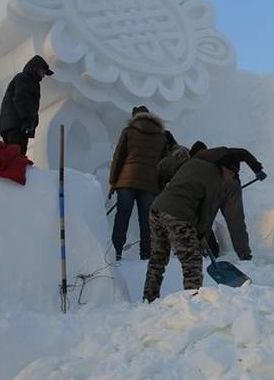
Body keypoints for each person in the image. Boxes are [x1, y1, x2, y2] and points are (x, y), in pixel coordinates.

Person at [143, 147, 255, 301]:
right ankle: (193, 301)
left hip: (156, 209)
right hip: (177, 214)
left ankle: (149, 297)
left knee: (158, 257)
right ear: (225, 168)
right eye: (233, 173)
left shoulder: (193, 163)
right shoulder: (215, 179)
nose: (232, 177)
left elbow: (166, 168)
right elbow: (207, 211)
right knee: (192, 260)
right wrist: (201, 235)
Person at [157, 140, 265, 261]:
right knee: (236, 220)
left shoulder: (194, 161)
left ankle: (205, 252)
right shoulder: (221, 152)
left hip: (216, 185)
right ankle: (244, 255)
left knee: (205, 219)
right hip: (232, 185)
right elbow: (243, 153)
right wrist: (257, 169)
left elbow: (167, 167)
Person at [108, 106, 169, 260]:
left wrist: (113, 181)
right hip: (149, 185)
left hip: (126, 182)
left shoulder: (129, 132)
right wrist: (160, 188)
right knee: (146, 221)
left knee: (122, 217)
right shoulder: (161, 137)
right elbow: (164, 165)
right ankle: (146, 255)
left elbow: (118, 157)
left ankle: (117, 252)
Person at [0, 55, 53, 156]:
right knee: (16, 157)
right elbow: (22, 100)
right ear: (36, 67)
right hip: (17, 125)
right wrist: (28, 120)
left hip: (13, 124)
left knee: (13, 156)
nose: (43, 75)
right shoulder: (25, 79)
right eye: (43, 71)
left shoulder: (26, 79)